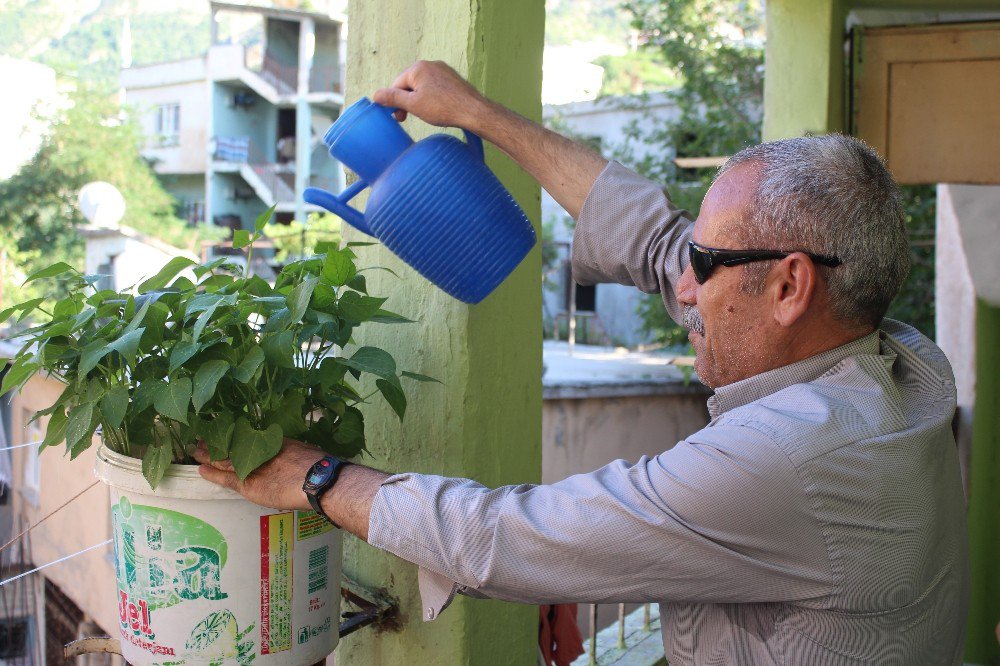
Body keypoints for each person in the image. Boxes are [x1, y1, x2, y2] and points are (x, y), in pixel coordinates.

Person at [195, 61, 969, 664]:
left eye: (707, 261)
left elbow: (512, 535)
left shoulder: (795, 456)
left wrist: (319, 480)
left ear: (792, 285)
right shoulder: (898, 357)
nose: (684, 283)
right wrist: (475, 115)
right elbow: (652, 239)